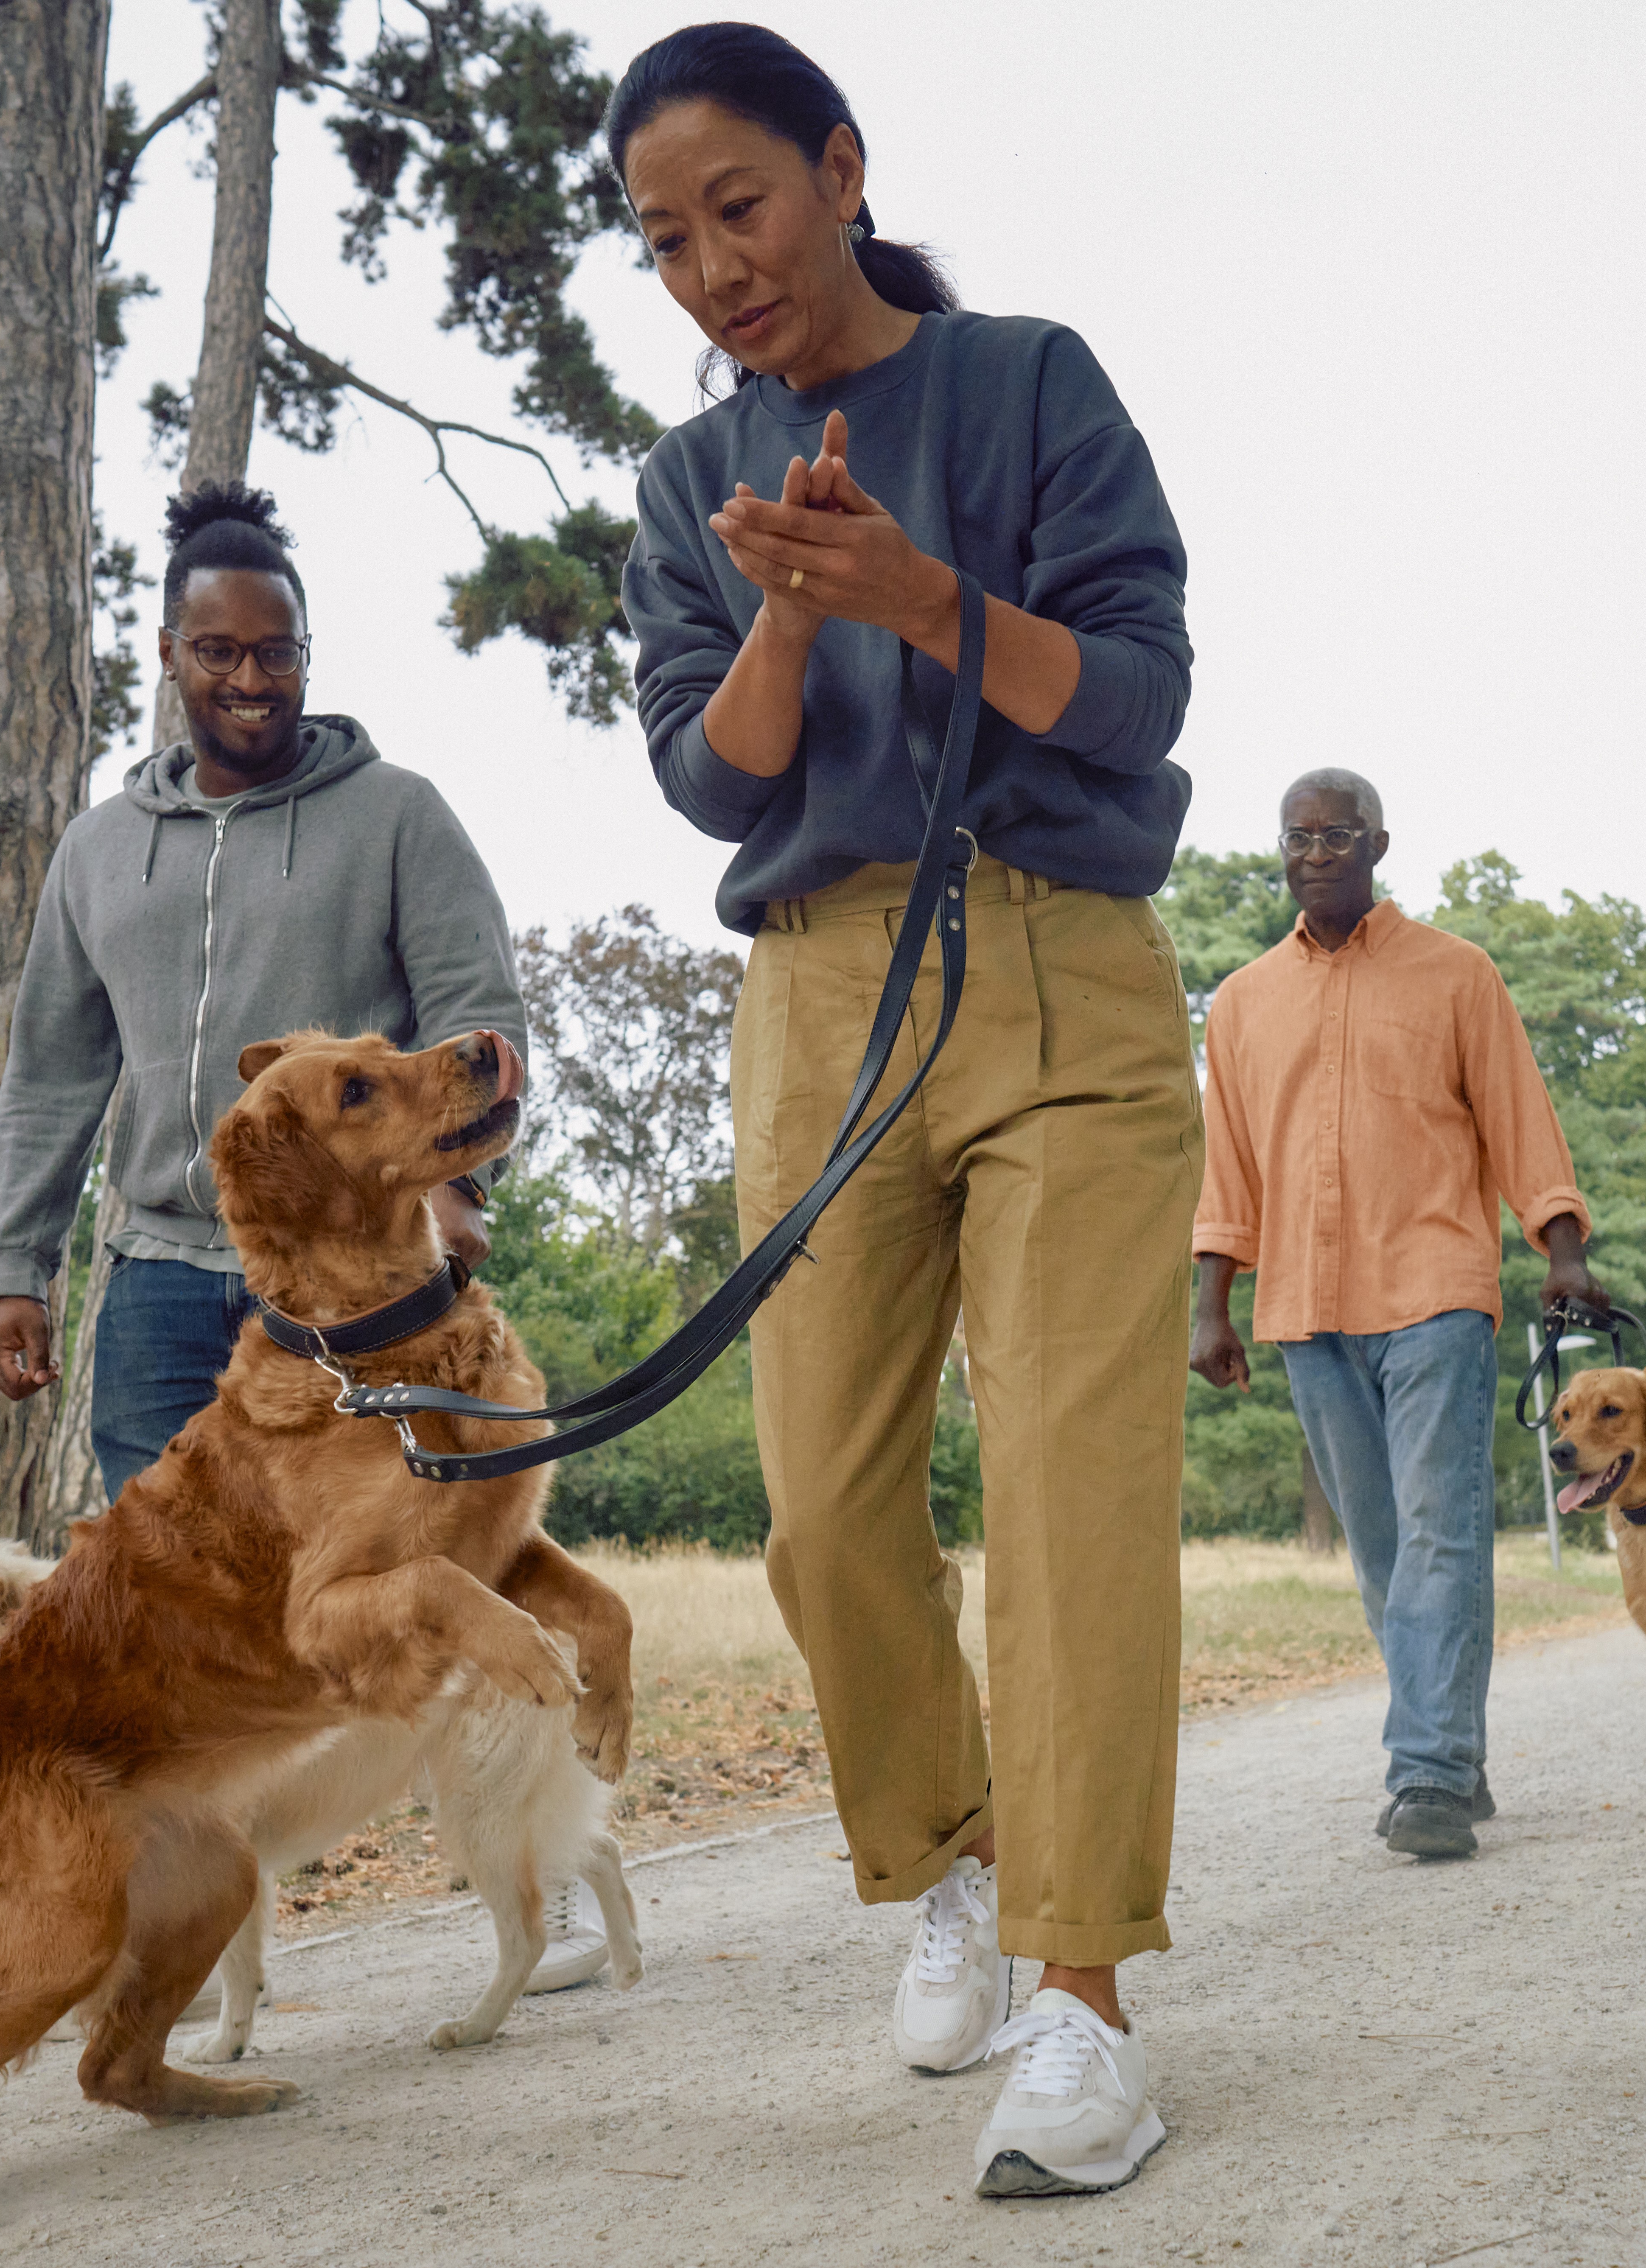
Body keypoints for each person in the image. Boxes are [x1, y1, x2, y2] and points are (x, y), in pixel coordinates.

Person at [609, 23, 1198, 2200]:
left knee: (1062, 1487)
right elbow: (707, 773)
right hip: (819, 984)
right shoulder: (691, 486)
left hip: (1055, 951)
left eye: (737, 210)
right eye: (663, 241)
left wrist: (923, 597)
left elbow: (1130, 695)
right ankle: (951, 1855)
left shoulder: (1029, 381)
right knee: (818, 1504)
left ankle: (1079, 1997)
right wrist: (789, 603)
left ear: (841, 167)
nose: (709, 270)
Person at [0, 482, 605, 1983]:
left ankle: (549, 1867)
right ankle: (181, 1941)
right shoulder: (95, 851)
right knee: (186, 1644)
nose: (250, 679)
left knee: (442, 1584)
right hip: (165, 1290)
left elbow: (478, 1017)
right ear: (171, 653)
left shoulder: (393, 816)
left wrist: (454, 1185)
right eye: (218, 652)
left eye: (278, 652)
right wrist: (16, 1266)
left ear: (308, 654)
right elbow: (54, 1070)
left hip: (366, 1307)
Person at [1188, 768, 1601, 1861]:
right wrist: (1210, 1307)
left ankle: (1425, 1773)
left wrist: (1559, 1245)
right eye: (1298, 835)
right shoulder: (1239, 1004)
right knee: (1381, 1551)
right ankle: (1451, 1748)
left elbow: (1520, 1116)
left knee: (1438, 1535)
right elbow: (1227, 1167)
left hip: (1434, 1293)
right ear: (1279, 852)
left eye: (1337, 833)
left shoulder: (1457, 976)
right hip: (1305, 1310)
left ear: (1379, 843)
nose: (1316, 851)